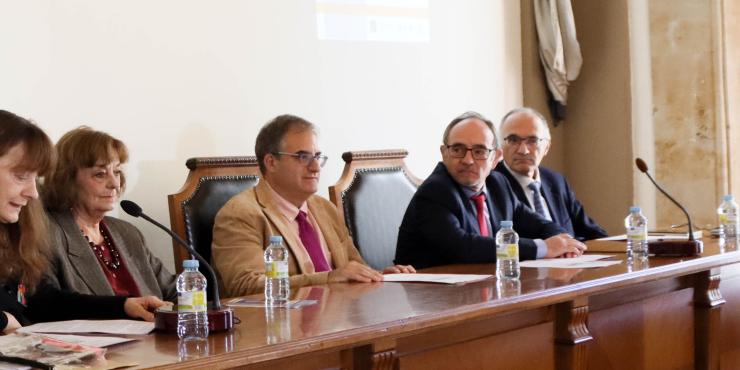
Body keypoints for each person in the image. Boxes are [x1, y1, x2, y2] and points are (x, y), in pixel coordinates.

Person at [0, 111, 167, 342]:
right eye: (21, 176)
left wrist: (123, 305)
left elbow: (42, 300)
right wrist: (3, 319)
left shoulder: (10, 228)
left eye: (36, 178)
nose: (33, 192)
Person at [213, 114, 415, 297]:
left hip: (338, 321)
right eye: (303, 157)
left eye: (317, 157)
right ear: (271, 163)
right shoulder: (240, 214)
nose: (316, 167)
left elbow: (354, 269)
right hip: (282, 329)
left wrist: (381, 277)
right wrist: (327, 278)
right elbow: (246, 285)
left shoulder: (324, 208)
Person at [394, 111, 586, 268]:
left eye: (479, 152)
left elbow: (537, 223)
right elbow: (464, 246)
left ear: (495, 159)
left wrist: (563, 240)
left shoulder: (498, 184)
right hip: (430, 300)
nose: (468, 160)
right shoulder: (436, 191)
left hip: (482, 290)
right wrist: (542, 248)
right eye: (458, 150)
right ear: (444, 153)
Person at [44, 127, 175, 301]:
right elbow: (46, 307)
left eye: (117, 172)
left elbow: (175, 290)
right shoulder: (48, 236)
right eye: (100, 174)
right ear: (68, 180)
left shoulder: (127, 233)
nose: (114, 183)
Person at [493, 107, 608, 241]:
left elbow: (590, 231)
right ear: (501, 145)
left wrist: (620, 247)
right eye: (513, 140)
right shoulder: (492, 184)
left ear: (546, 147)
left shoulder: (556, 181)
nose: (523, 150)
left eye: (532, 141)